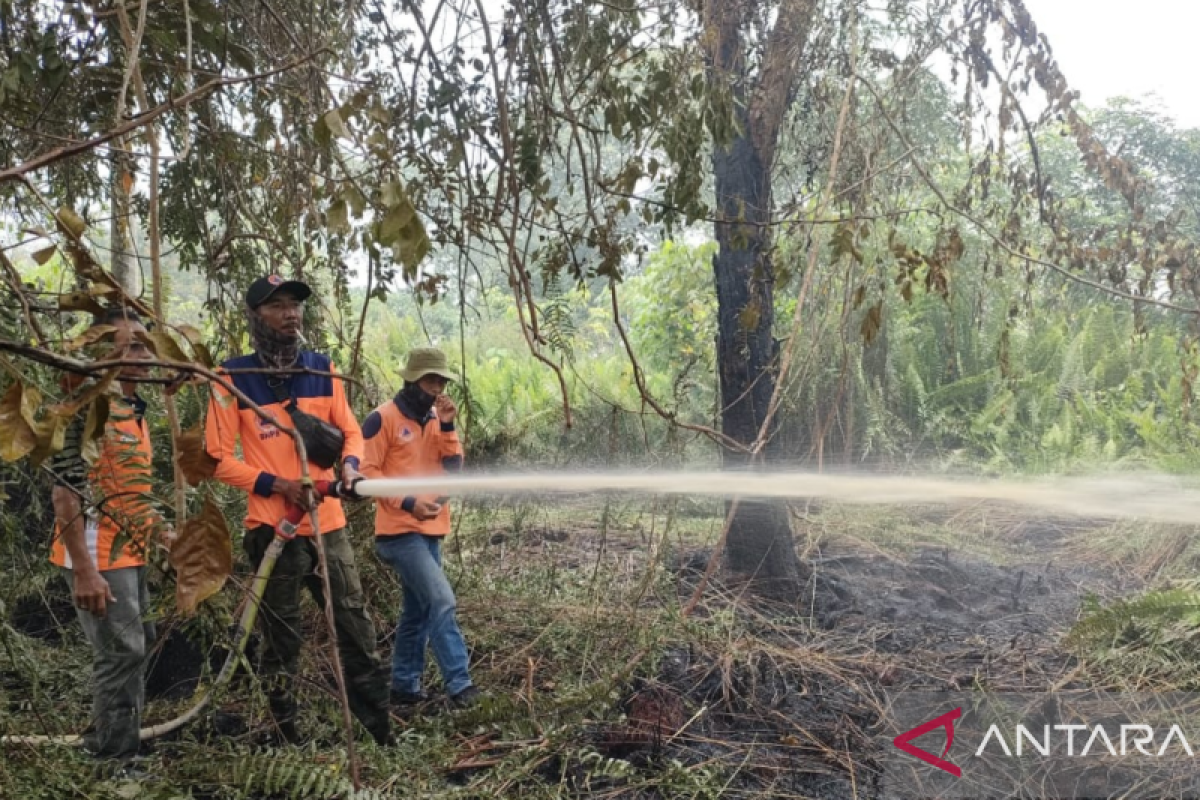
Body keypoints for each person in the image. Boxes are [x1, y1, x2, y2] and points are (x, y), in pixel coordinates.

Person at [203, 275, 391, 746]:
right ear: (255, 316)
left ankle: (379, 731)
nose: (290, 314)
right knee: (282, 639)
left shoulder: (323, 370)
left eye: (295, 305)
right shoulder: (233, 378)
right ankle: (289, 738)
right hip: (273, 530)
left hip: (328, 526)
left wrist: (350, 468)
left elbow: (351, 433)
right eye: (278, 306)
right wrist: (278, 484)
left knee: (355, 626)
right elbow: (217, 458)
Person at [48, 307, 168, 772]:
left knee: (140, 642)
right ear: (102, 353)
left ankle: (121, 737)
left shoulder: (133, 408)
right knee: (123, 651)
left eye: (147, 344)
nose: (144, 353)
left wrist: (162, 533)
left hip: (129, 550)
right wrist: (84, 568)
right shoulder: (87, 408)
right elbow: (65, 491)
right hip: (98, 553)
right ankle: (113, 760)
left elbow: (129, 489)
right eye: (132, 344)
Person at [361, 347, 479, 711]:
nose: (437, 387)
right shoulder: (382, 419)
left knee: (416, 611)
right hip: (399, 533)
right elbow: (367, 475)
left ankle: (404, 686)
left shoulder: (435, 420)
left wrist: (447, 425)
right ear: (411, 380)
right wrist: (410, 501)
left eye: (441, 380)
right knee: (441, 599)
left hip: (430, 531)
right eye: (431, 380)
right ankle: (461, 686)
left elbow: (453, 468)